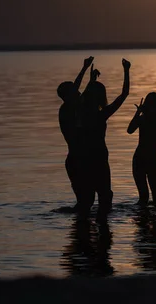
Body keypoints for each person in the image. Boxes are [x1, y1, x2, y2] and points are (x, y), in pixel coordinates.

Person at [77, 58, 131, 220]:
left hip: (84, 157)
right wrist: (126, 70)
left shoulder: (80, 113)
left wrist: (88, 76)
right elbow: (124, 94)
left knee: (87, 196)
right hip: (99, 156)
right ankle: (103, 227)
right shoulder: (101, 115)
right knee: (104, 194)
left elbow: (80, 95)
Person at [57, 56, 94, 206]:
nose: (78, 93)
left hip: (80, 159)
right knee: (85, 200)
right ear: (67, 96)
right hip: (76, 160)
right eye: (74, 91)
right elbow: (76, 90)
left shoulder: (73, 108)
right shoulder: (66, 110)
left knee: (88, 200)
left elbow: (78, 91)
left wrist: (89, 77)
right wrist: (84, 69)